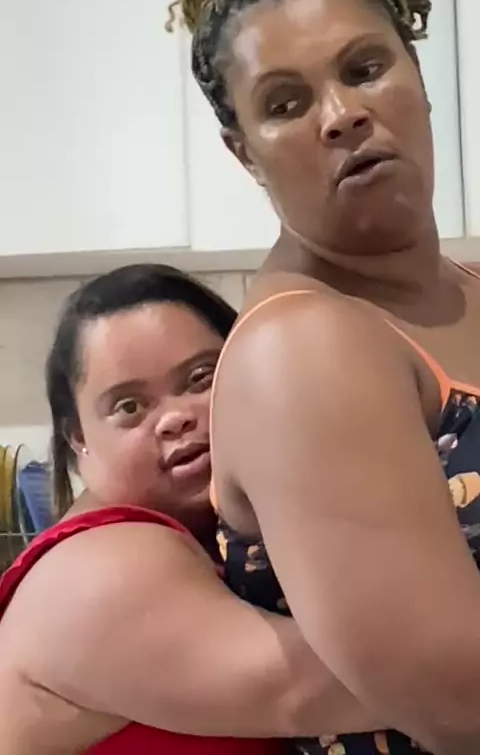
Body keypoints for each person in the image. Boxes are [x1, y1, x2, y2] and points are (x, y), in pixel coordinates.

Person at [174, 0, 480, 754]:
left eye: (365, 68)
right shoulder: (301, 352)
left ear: (418, 74)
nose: (342, 114)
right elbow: (461, 698)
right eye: (285, 104)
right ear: (244, 152)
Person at [0, 263, 382, 754]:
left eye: (201, 378)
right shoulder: (97, 571)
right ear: (78, 439)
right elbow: (320, 690)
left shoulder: (216, 536)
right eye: (129, 406)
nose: (176, 418)